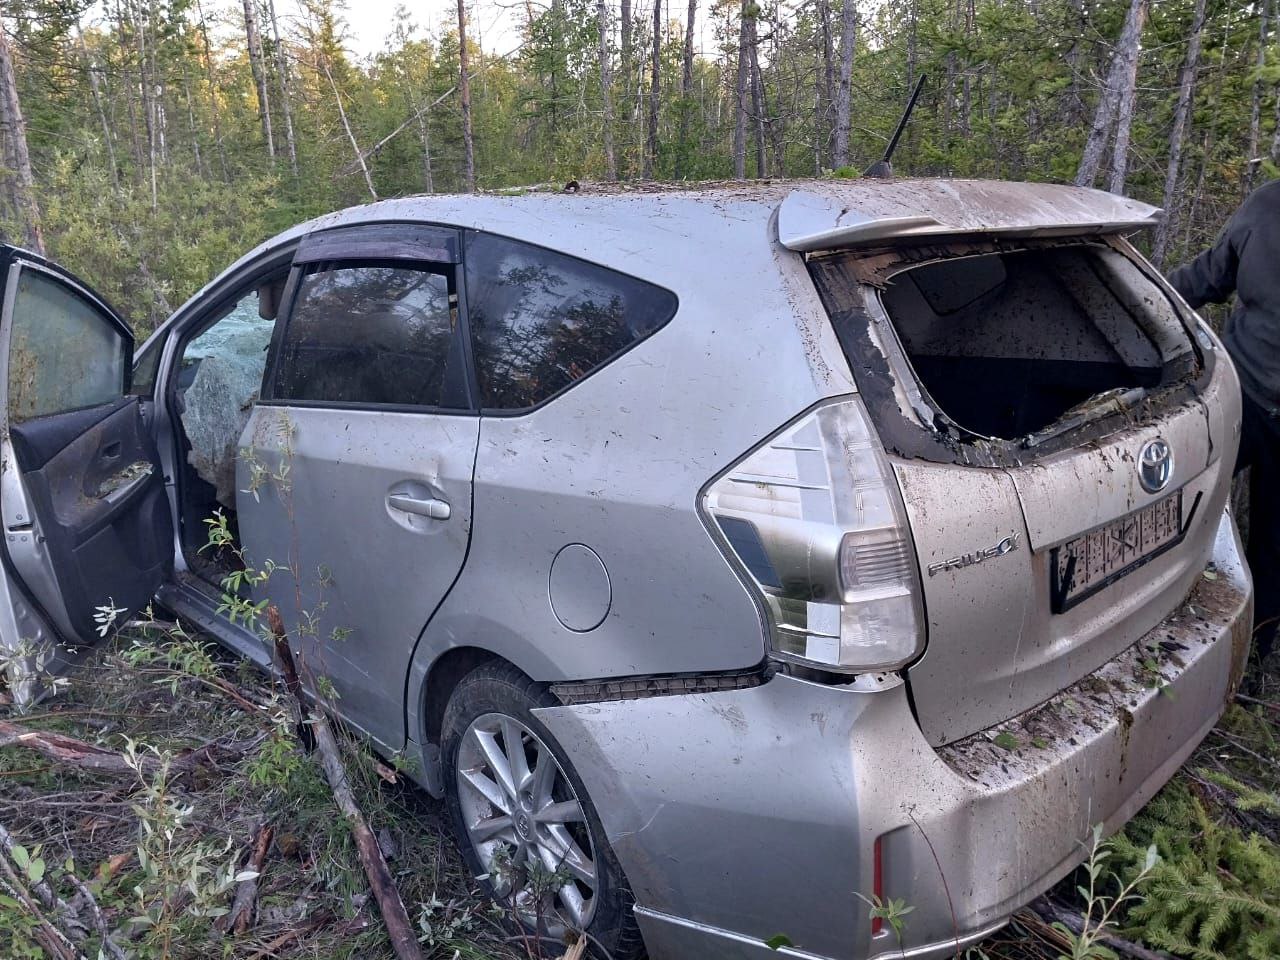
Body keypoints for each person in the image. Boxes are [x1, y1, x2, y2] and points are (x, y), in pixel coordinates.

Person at [1170, 178, 1280, 665]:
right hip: (1242, 398)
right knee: (1183, 503)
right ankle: (1165, 620)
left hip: (1259, 403)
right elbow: (1209, 276)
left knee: (1275, 544)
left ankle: (1252, 658)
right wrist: (1144, 300)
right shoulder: (1267, 204)